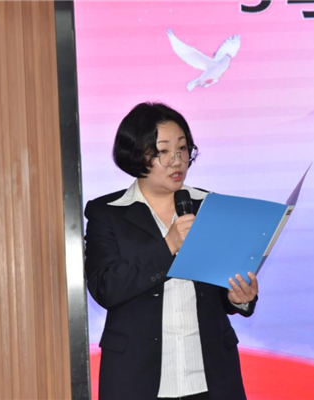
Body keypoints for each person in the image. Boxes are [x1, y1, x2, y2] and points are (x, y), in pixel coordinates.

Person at [84, 102, 259, 400]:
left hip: (211, 378)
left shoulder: (211, 206)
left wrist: (239, 297)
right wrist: (168, 246)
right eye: (163, 151)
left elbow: (221, 290)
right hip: (137, 379)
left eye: (182, 148)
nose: (177, 161)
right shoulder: (108, 213)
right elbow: (105, 288)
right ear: (135, 154)